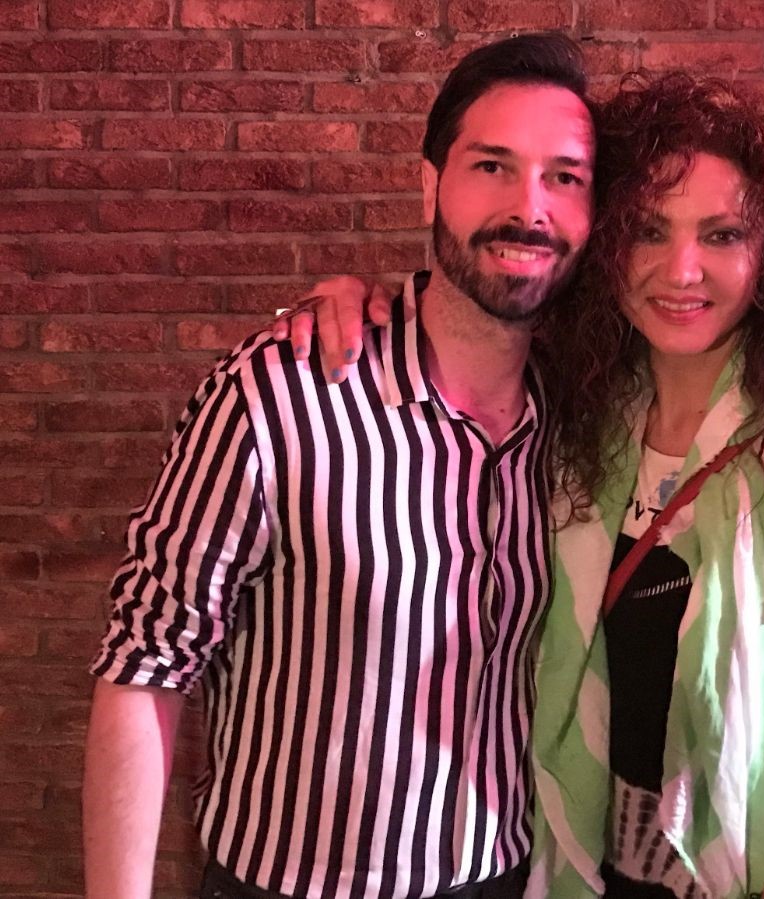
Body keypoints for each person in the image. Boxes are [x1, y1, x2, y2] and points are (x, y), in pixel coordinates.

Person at [288, 74, 764, 899]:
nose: (682, 270)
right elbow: (457, 315)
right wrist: (359, 302)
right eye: (649, 230)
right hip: (585, 870)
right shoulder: (580, 418)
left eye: (722, 235)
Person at [81, 34, 595, 899]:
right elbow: (145, 664)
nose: (529, 207)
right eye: (492, 166)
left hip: (503, 875)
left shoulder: (582, 418)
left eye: (565, 177)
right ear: (431, 184)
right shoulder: (282, 393)